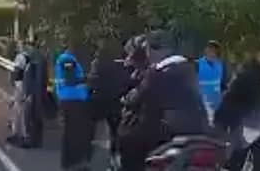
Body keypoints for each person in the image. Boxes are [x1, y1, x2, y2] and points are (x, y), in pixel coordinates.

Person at [118, 30, 209, 171]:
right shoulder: (189, 66)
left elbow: (136, 97)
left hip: (168, 131)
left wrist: (127, 98)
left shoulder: (157, 72)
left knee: (127, 139)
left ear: (152, 50)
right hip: (198, 128)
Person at [215, 44, 260, 171]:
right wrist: (221, 122)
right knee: (236, 161)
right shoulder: (247, 75)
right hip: (245, 125)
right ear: (257, 56)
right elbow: (230, 98)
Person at [89, 39, 132, 168]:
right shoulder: (121, 65)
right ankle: (115, 158)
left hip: (101, 103)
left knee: (101, 133)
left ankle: (104, 159)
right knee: (115, 132)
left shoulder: (97, 64)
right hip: (116, 103)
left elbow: (93, 82)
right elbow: (126, 83)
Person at [55, 44, 94, 170]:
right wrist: (86, 79)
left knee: (72, 132)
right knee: (74, 132)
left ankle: (71, 162)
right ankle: (74, 162)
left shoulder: (68, 60)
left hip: (70, 99)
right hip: (73, 100)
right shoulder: (67, 59)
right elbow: (69, 79)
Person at [198, 40, 229, 124]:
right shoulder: (198, 64)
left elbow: (222, 84)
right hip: (202, 106)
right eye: (210, 49)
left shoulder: (219, 65)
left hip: (217, 106)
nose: (212, 52)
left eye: (214, 50)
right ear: (205, 50)